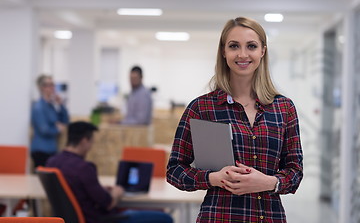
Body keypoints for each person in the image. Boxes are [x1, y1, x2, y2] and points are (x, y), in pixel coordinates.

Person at [166, 17, 303, 223]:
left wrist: (268, 182)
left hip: (269, 217)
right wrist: (213, 178)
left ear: (262, 51)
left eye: (251, 46)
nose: (242, 54)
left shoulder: (284, 108)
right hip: (219, 217)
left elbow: (295, 172)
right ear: (223, 51)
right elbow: (174, 170)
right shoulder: (202, 108)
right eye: (234, 46)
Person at [46, 121, 173, 223]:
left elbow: (77, 190)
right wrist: (117, 192)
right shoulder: (83, 168)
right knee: (165, 218)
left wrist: (99, 189)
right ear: (84, 141)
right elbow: (108, 203)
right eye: (91, 142)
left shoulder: (52, 162)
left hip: (71, 219)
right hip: (100, 219)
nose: (91, 146)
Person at [31, 74, 69, 168]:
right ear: (42, 87)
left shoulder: (51, 106)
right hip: (41, 150)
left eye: (53, 84)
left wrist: (61, 105)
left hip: (51, 149)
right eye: (49, 84)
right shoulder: (38, 107)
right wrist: (57, 129)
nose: (52, 87)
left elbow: (65, 120)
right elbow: (44, 130)